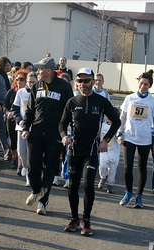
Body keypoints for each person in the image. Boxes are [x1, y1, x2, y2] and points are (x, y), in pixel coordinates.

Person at [59, 67, 120, 236]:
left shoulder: (101, 101)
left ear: (93, 81)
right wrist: (64, 136)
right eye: (80, 81)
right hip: (74, 149)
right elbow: (62, 124)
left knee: (87, 185)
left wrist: (105, 140)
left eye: (86, 80)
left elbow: (116, 121)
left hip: (92, 150)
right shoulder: (72, 102)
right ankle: (74, 219)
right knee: (72, 185)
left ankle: (86, 220)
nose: (83, 84)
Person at [22, 57, 73, 215]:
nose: (37, 71)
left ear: (49, 70)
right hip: (36, 132)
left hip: (54, 134)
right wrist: (25, 127)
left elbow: (70, 110)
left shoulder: (64, 87)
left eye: (40, 69)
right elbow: (30, 110)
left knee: (50, 168)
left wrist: (66, 132)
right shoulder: (36, 86)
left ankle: (43, 202)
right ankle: (36, 190)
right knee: (33, 167)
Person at [117, 69, 154, 208]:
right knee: (127, 167)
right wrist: (119, 133)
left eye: (146, 84)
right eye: (141, 83)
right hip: (129, 137)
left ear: (150, 86)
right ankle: (128, 192)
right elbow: (122, 118)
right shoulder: (130, 98)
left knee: (142, 168)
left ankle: (139, 196)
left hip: (145, 139)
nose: (143, 86)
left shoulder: (153, 101)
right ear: (138, 83)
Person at [12, 71, 37, 186]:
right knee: (21, 151)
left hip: (35, 127)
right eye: (29, 82)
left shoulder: (40, 93)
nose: (31, 84)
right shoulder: (21, 92)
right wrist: (19, 120)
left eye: (33, 82)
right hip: (22, 126)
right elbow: (15, 108)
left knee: (32, 152)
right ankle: (26, 168)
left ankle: (30, 176)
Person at [4, 69, 28, 170]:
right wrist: (8, 112)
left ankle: (21, 163)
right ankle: (14, 157)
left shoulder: (29, 92)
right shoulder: (11, 92)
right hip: (12, 119)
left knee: (22, 143)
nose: (19, 81)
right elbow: (5, 106)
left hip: (23, 121)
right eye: (17, 79)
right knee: (13, 141)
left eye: (21, 79)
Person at [97, 107, 121, 193]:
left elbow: (119, 135)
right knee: (102, 166)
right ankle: (103, 177)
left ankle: (110, 184)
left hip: (114, 152)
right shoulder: (102, 125)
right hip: (103, 151)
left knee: (112, 169)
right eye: (107, 116)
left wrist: (120, 138)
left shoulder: (118, 127)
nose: (108, 118)